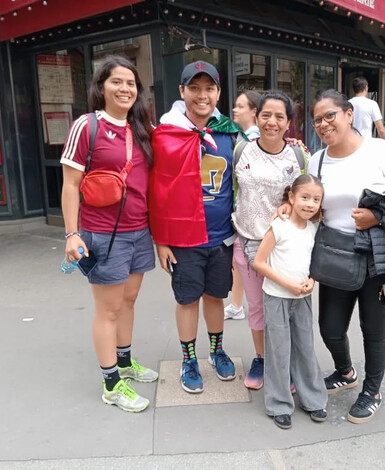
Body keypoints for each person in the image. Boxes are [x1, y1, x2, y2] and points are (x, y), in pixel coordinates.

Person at [307, 89, 385, 424]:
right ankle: (345, 371)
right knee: (330, 327)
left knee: (373, 327)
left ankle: (373, 390)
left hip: (377, 255)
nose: (323, 124)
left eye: (330, 116)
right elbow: (310, 201)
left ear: (349, 114)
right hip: (335, 254)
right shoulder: (317, 160)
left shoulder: (381, 152)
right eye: (317, 120)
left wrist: (378, 217)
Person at [60, 54, 158, 413]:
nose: (125, 88)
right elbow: (70, 185)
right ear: (101, 87)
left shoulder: (141, 129)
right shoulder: (87, 127)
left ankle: (125, 362)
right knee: (109, 309)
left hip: (138, 231)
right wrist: (72, 234)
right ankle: (111, 383)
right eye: (116, 81)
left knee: (128, 301)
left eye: (131, 83)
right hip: (103, 234)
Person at [149, 61, 240, 393]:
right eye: (195, 88)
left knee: (215, 297)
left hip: (221, 236)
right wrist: (161, 240)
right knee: (187, 300)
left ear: (218, 92)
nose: (203, 95)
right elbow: (156, 190)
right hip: (184, 238)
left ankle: (216, 351)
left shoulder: (230, 132)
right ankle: (189, 358)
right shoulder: (166, 134)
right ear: (182, 92)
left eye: (210, 88)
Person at [232, 90, 307, 390]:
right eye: (266, 115)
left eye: (279, 117)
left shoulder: (299, 156)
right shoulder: (240, 151)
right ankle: (262, 357)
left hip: (282, 245)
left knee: (283, 307)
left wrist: (292, 204)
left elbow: (307, 196)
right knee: (257, 307)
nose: (272, 122)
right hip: (247, 241)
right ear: (256, 116)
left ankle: (284, 362)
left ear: (289, 123)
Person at [252, 174, 328, 429]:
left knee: (305, 348)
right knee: (279, 350)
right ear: (291, 197)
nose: (310, 204)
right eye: (305, 197)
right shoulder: (279, 226)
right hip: (277, 298)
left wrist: (312, 281)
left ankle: (313, 399)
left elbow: (313, 263)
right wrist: (286, 284)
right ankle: (279, 404)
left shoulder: (314, 229)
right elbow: (259, 262)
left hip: (303, 298)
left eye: (316, 199)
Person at [224, 90, 262, 321]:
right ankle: (237, 305)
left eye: (240, 106)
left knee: (245, 262)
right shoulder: (241, 136)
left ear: (254, 111)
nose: (235, 110)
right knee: (238, 262)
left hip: (248, 216)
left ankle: (242, 305)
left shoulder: (253, 140)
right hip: (242, 212)